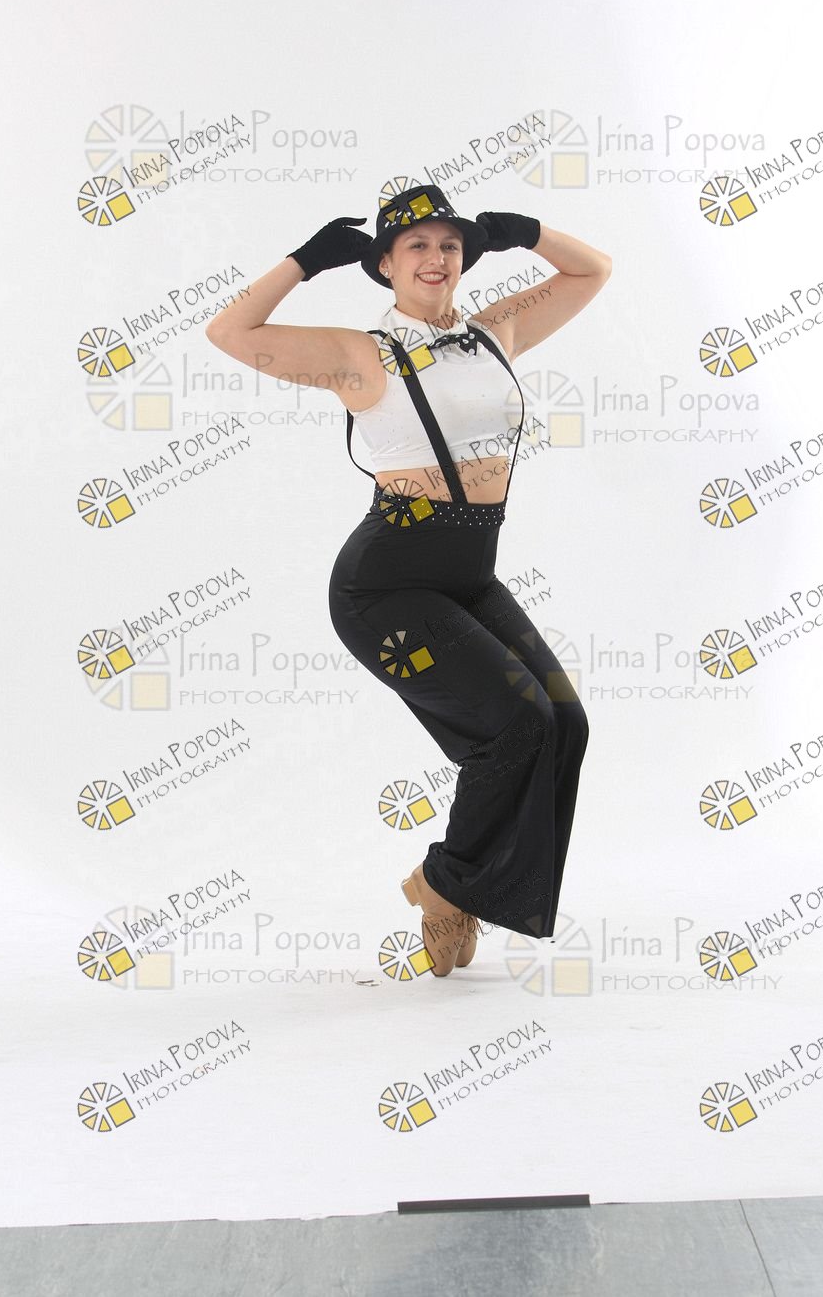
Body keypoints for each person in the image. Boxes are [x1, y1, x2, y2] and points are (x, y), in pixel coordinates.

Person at [204, 184, 612, 977]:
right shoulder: (359, 354)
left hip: (468, 574)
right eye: (416, 245)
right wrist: (305, 261)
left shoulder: (493, 333)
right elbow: (230, 332)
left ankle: (457, 886)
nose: (436, 258)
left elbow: (591, 271)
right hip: (386, 586)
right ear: (385, 264)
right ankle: (446, 886)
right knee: (516, 723)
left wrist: (527, 231)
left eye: (451, 245)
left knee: (563, 722)